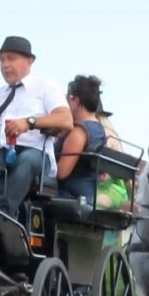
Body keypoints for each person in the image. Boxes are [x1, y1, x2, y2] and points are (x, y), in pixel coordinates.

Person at [0, 36, 73, 216]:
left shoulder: (45, 86)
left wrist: (29, 122)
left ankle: (4, 214)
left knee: (26, 161)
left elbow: (66, 120)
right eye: (2, 60)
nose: (5, 65)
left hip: (35, 152)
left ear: (29, 61)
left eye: (11, 58)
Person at [55, 75, 112, 206]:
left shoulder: (79, 133)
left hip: (68, 194)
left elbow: (61, 173)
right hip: (89, 194)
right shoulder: (99, 129)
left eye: (68, 100)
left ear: (76, 101)